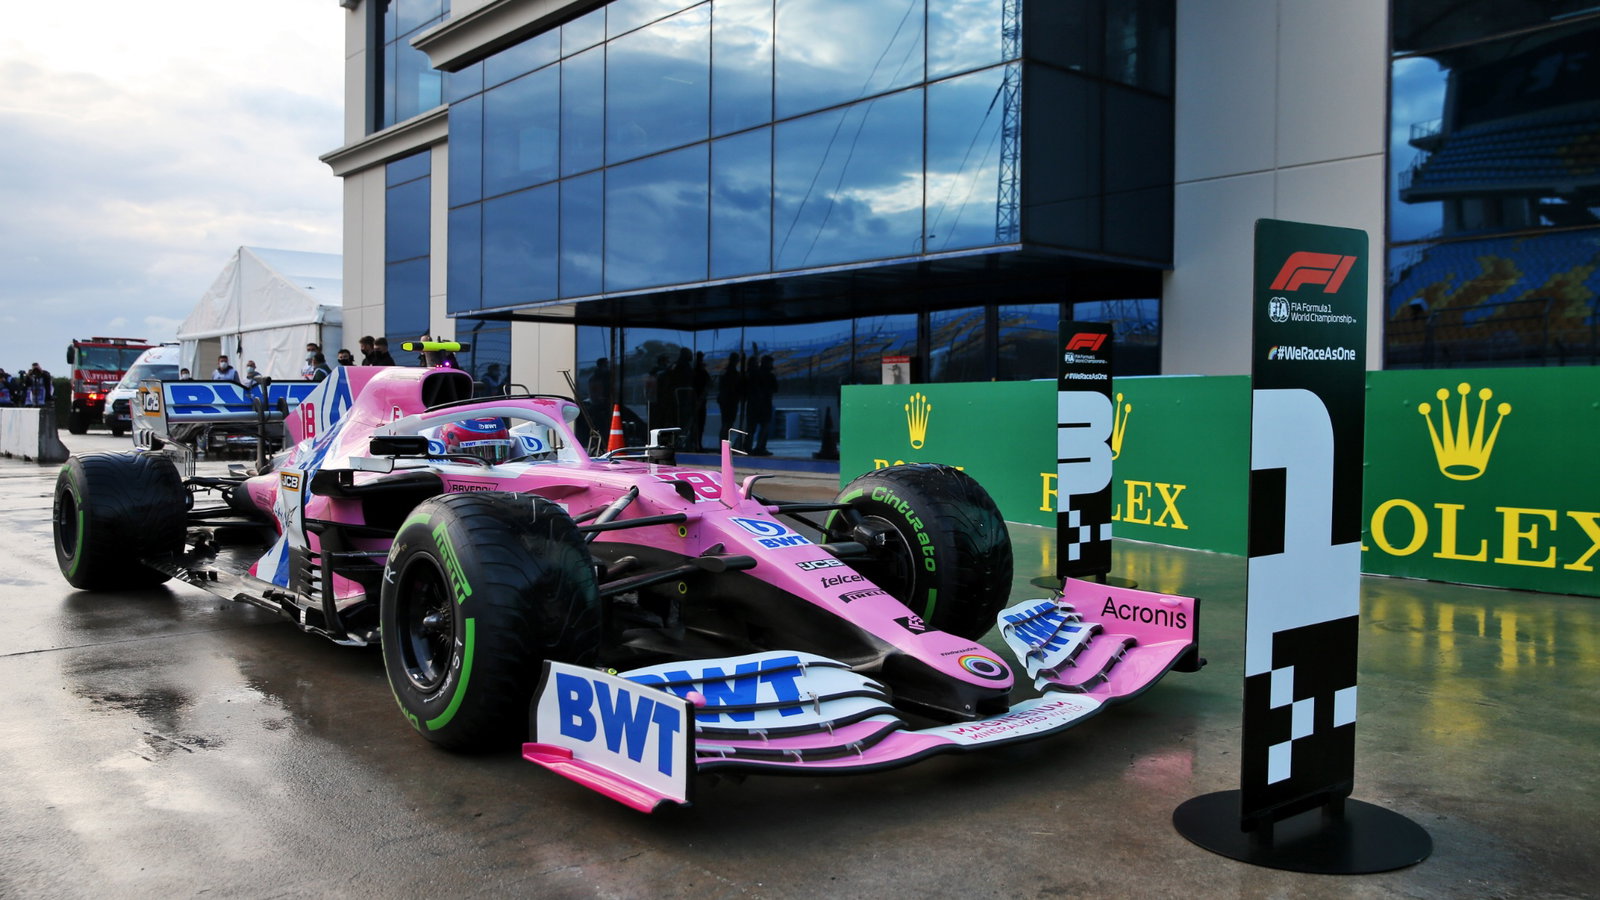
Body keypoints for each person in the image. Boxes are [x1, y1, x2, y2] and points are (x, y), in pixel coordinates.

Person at [746, 355, 777, 455]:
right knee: (762, 427)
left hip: (755, 405)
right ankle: (759, 448)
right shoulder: (767, 375)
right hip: (763, 405)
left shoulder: (754, 374)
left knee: (753, 428)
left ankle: (750, 447)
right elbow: (774, 389)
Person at [716, 353, 744, 444]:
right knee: (727, 424)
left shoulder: (726, 372)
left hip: (726, 401)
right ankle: (724, 444)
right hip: (730, 401)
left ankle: (723, 444)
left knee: (726, 424)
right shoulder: (733, 373)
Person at [690, 351, 710, 450]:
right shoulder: (698, 372)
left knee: (699, 424)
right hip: (697, 400)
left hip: (699, 400)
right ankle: (696, 444)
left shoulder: (697, 371)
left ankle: (697, 444)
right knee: (697, 424)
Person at [587, 358, 612, 425]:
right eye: (605, 364)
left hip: (608, 405)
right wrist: (599, 399)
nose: (607, 366)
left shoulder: (611, 377)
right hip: (598, 406)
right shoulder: (594, 379)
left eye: (607, 364)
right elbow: (593, 393)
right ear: (600, 365)